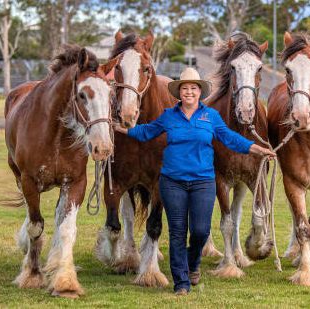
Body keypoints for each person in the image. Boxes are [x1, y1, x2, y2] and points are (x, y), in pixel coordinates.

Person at [115, 67, 275, 295]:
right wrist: (120, 129)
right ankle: (181, 282)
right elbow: (146, 132)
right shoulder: (169, 115)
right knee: (178, 232)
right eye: (185, 88)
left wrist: (256, 148)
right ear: (179, 92)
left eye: (193, 88)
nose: (189, 92)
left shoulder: (210, 116)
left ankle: (193, 264)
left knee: (200, 231)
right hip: (172, 182)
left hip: (203, 182)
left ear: (199, 92)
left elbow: (229, 138)